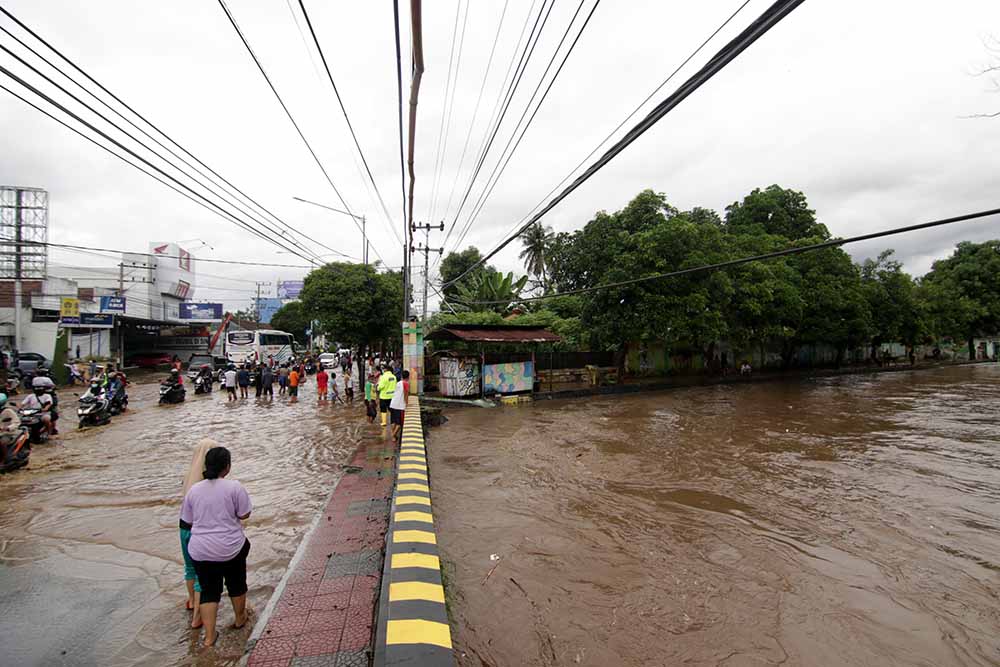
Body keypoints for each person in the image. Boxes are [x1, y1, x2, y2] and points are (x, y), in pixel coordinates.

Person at [181, 446, 252, 648]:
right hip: (231, 548)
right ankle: (240, 619)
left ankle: (209, 637)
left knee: (209, 591)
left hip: (201, 550)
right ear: (227, 467)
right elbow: (244, 514)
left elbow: (187, 520)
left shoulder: (194, 490)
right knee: (236, 584)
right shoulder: (235, 487)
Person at [389, 370, 410, 441]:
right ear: (408, 377)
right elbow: (406, 395)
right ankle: (393, 435)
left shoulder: (398, 383)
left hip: (393, 404)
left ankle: (393, 436)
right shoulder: (406, 384)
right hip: (399, 406)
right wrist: (407, 404)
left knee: (393, 421)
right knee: (399, 423)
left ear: (401, 376)